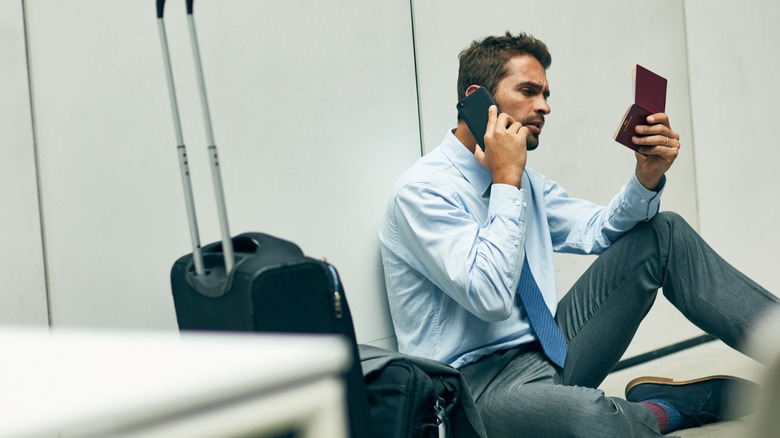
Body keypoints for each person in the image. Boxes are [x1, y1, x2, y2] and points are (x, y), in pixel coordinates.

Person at [379, 31, 780, 437]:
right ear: (479, 97)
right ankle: (666, 411)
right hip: (474, 390)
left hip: (548, 351)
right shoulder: (424, 193)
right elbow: (490, 297)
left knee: (664, 233)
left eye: (546, 94)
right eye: (529, 91)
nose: (544, 107)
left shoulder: (523, 182)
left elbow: (596, 230)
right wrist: (505, 181)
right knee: (589, 418)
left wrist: (646, 178)